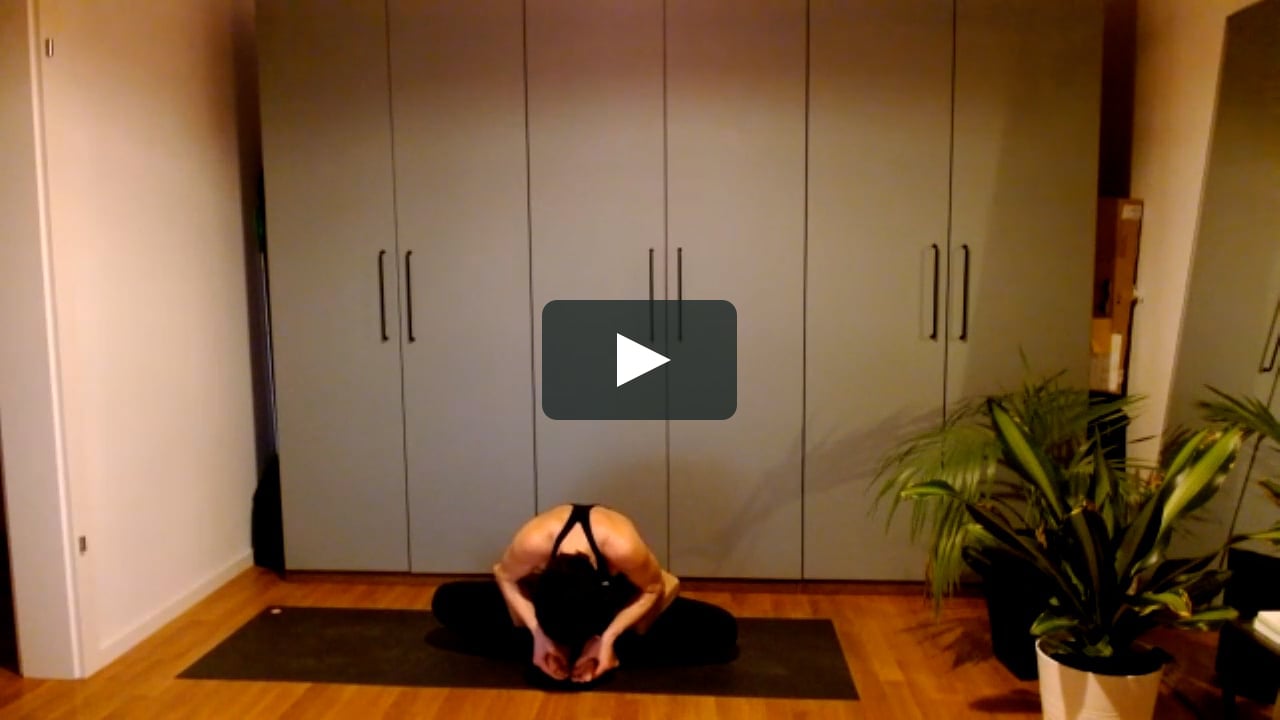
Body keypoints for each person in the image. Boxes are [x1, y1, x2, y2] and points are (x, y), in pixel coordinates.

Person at [431, 503, 738, 684]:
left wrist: (608, 637)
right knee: (446, 600)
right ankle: (570, 647)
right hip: (554, 599)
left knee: (722, 629)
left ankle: (593, 647)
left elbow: (654, 587)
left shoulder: (622, 547)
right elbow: (503, 574)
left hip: (622, 596)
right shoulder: (535, 541)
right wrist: (538, 633)